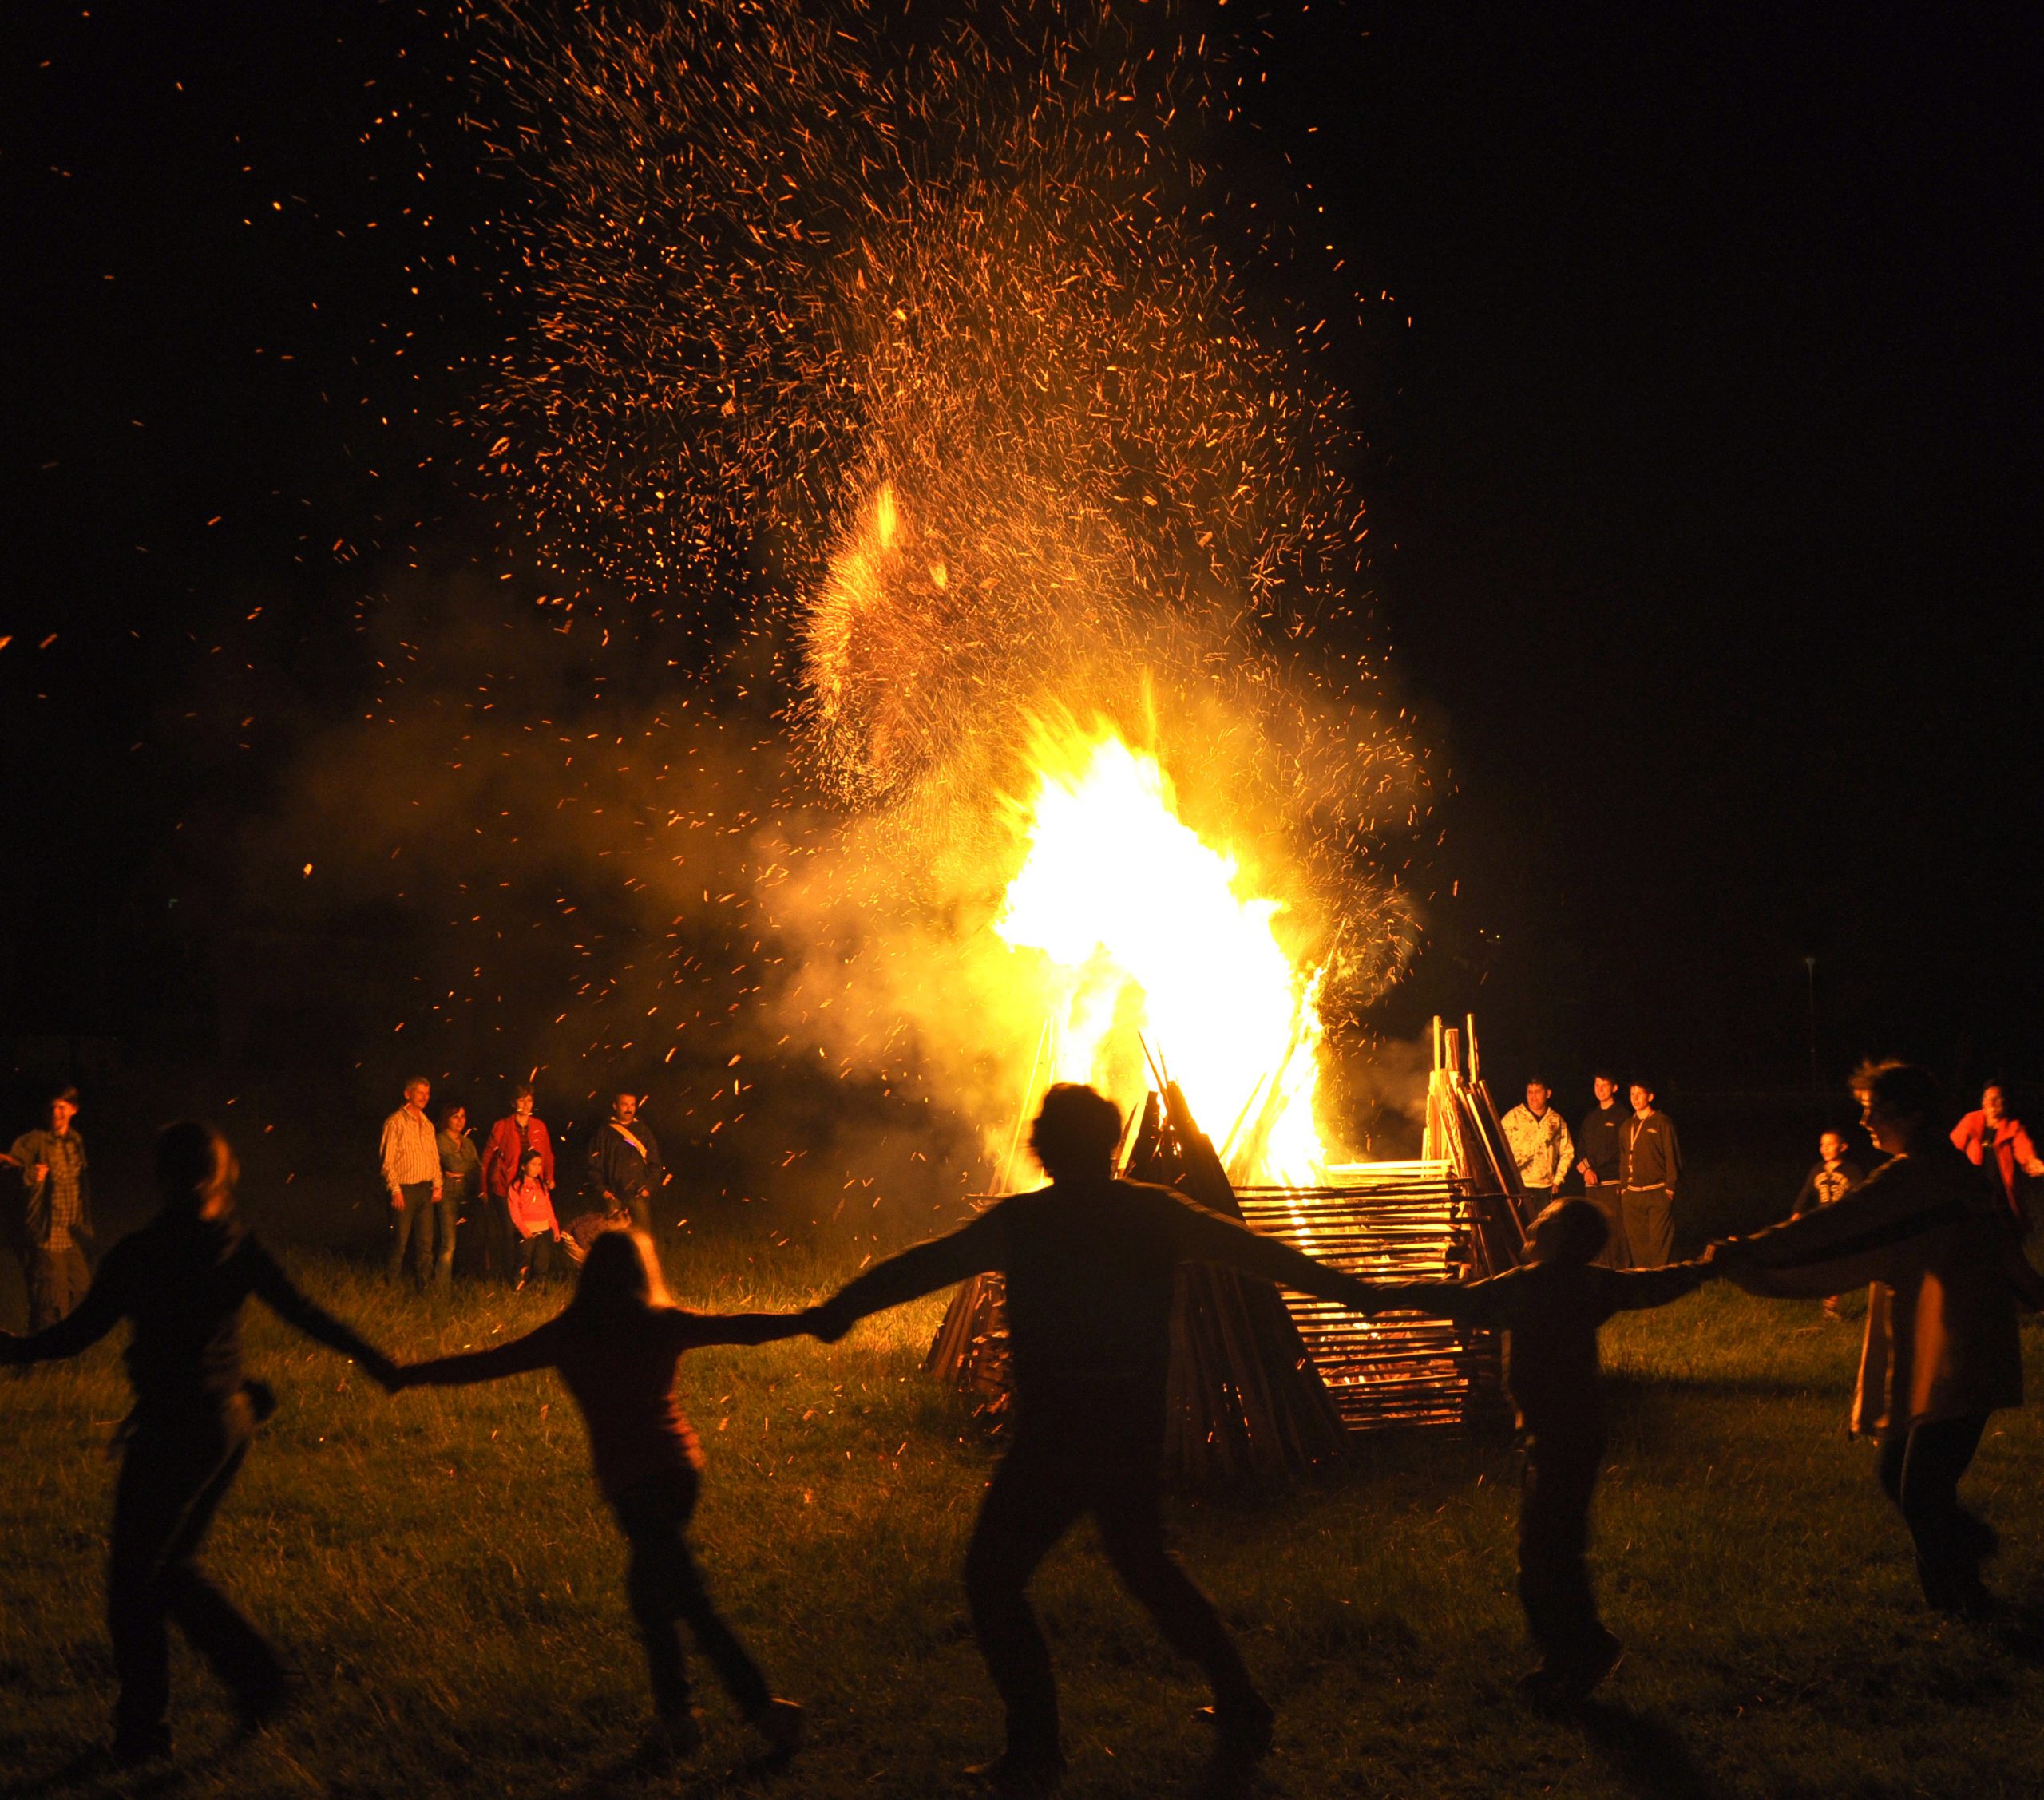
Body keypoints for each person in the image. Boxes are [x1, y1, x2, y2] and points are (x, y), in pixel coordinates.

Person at [810, 1082, 1378, 1790]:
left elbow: (929, 1263)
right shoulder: (1151, 1212)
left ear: (1055, 1143)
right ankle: (1240, 1701)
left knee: (994, 1577)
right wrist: (1359, 1291)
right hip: (1129, 1421)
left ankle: (1037, 1750)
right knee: (1143, 1561)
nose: (1035, 1133)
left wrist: (847, 1304)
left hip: (1062, 1428)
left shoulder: (1028, 1222)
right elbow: (1259, 1255)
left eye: (1045, 1126)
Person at [0, 1122, 398, 1765]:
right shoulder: (234, 1242)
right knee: (169, 1569)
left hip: (175, 1431)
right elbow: (303, 1311)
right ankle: (255, 1683)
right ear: (217, 1176)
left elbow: (79, 1333)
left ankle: (148, 1728)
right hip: (227, 1422)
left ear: (164, 1179)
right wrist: (374, 1359)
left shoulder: (139, 1252)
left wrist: (16, 1348)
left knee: (135, 1581)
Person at [392, 1230, 806, 1766]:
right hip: (678, 1471)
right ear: (640, 1271)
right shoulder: (658, 1323)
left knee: (687, 1601)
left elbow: (488, 1362)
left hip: (635, 1484)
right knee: (651, 1597)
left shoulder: (572, 1332)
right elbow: (738, 1328)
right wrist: (809, 1320)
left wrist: (411, 1374)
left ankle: (763, 1713)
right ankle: (680, 1719)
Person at [1712, 1060, 2044, 1618]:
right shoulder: (1947, 1171)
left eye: (1876, 1110)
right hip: (1953, 1351)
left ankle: (1962, 1600)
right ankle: (1966, 1562)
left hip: (1957, 1355)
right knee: (1898, 1474)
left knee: (1920, 1488)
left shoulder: (1915, 1178)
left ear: (1912, 1114)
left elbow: (1831, 1228)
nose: (1864, 1120)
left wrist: (1745, 1252)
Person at [1361, 1198, 1709, 1704]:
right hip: (1577, 1431)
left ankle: (1577, 1651)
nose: (1533, 1220)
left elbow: (1458, 1298)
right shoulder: (1590, 1282)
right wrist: (1706, 1267)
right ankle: (1574, 1649)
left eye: (1545, 1218)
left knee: (1543, 1553)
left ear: (1558, 1238)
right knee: (1555, 1545)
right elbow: (1652, 1284)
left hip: (1556, 1435)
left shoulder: (1531, 1285)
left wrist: (1386, 1293)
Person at [9, 1085, 96, 1329]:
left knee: (80, 1289)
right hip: (44, 1234)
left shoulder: (75, 1141)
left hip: (70, 1233)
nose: (56, 1113)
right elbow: (7, 1167)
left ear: (73, 1109)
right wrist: (28, 1173)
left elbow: (81, 1186)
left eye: (62, 1107)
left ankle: (66, 1343)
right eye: (51, 1108)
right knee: (49, 1299)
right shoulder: (33, 1141)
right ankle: (43, 1360)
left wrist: (84, 1225)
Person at [1949, 1081, 2043, 1236]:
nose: (1991, 1103)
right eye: (1987, 1098)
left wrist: (2032, 1162)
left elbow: (2024, 1148)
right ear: (1982, 1101)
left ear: (2004, 1103)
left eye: (1997, 1098)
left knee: (2008, 1234)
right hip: (1975, 1192)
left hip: (2001, 1195)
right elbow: (1952, 1146)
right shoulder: (1971, 1121)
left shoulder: (2013, 1127)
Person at [483, 1085, 556, 1280]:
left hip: (532, 1187)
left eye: (529, 1100)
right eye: (522, 1100)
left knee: (532, 1230)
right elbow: (488, 1156)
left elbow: (547, 1154)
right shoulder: (502, 1126)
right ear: (513, 1103)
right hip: (505, 1187)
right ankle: (510, 1275)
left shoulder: (539, 1126)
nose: (526, 1104)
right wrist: (483, 1188)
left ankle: (529, 1273)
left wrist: (549, 1176)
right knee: (509, 1230)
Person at [1792, 1129, 1867, 1318]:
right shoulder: (1817, 1169)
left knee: (1837, 1263)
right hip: (1821, 1222)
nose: (1825, 1148)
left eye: (1830, 1144)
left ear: (1843, 1147)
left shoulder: (1852, 1171)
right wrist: (1797, 1213)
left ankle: (1830, 1306)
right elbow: (1806, 1192)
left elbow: (1863, 1195)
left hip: (1842, 1224)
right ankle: (1818, 1293)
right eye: (1822, 1145)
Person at [379, 1077, 444, 1289]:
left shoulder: (427, 1125)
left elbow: (434, 1157)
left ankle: (424, 1287)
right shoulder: (395, 1122)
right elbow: (387, 1162)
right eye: (420, 1093)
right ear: (408, 1094)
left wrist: (437, 1184)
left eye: (427, 1093)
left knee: (426, 1244)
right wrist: (396, 1190)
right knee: (400, 1241)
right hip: (405, 1190)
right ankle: (390, 1284)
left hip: (425, 1190)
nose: (425, 1097)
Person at [1618, 1080, 1682, 1268]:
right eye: (1632, 1094)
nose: (1635, 1098)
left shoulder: (1662, 1122)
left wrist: (1669, 1189)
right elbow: (1623, 1159)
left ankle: (1660, 1285)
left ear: (1650, 1096)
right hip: (1633, 1194)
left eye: (1639, 1093)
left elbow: (1672, 1157)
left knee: (1659, 1244)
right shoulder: (1626, 1126)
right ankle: (1643, 1286)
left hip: (1657, 1192)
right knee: (1638, 1246)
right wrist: (1623, 1189)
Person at [590, 1092, 665, 1237]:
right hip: (613, 1195)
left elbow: (654, 1162)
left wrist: (648, 1187)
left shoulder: (643, 1131)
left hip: (638, 1194)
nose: (629, 1109)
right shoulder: (604, 1132)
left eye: (632, 1105)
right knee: (612, 1238)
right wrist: (602, 1189)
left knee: (642, 1237)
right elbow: (593, 1163)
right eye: (624, 1104)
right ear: (615, 1106)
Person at [1575, 1072, 1629, 1267]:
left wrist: (1595, 1167)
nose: (1600, 1089)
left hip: (1611, 1183)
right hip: (1592, 1184)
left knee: (1614, 1229)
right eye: (1597, 1084)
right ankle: (1599, 1268)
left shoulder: (1622, 1115)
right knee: (1594, 1229)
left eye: (1604, 1085)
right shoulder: (1591, 1118)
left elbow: (1618, 1150)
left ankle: (1620, 1268)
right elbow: (1581, 1148)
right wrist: (1587, 1170)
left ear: (1614, 1088)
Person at [1501, 1080, 1574, 1221]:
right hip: (1519, 1187)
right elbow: (1499, 1148)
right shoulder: (1513, 1117)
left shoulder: (1556, 1121)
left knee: (1542, 1229)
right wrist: (1508, 1179)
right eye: (1530, 1092)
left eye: (1538, 1092)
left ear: (1548, 1093)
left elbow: (1567, 1151)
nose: (1533, 1096)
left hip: (1545, 1189)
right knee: (1520, 1229)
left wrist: (1558, 1179)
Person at [436, 1104, 482, 1284]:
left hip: (467, 1195)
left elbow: (477, 1169)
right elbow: (454, 1165)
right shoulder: (440, 1140)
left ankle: (464, 1280)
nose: (460, 1120)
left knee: (467, 1241)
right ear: (447, 1119)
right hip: (448, 1195)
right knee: (449, 1243)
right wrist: (463, 1167)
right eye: (455, 1116)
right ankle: (442, 1286)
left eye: (463, 1116)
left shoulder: (467, 1142)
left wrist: (464, 1169)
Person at [505, 1148, 562, 1289]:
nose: (537, 1168)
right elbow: (514, 1211)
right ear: (523, 1166)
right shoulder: (516, 1186)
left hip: (544, 1228)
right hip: (527, 1230)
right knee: (524, 1259)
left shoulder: (542, 1185)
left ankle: (538, 1286)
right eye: (533, 1164)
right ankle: (519, 1286)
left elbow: (548, 1208)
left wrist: (554, 1228)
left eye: (539, 1165)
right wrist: (522, 1229)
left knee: (541, 1261)